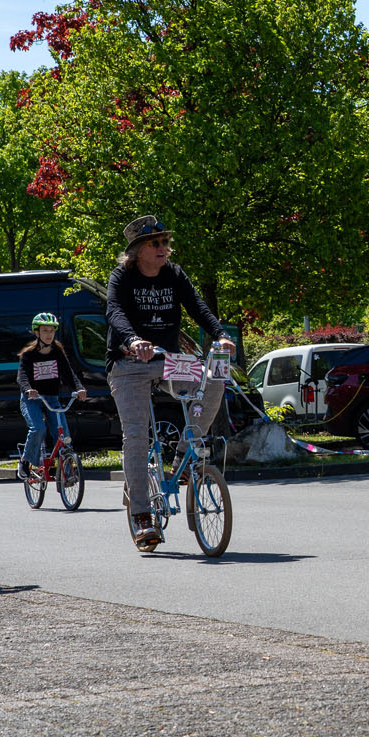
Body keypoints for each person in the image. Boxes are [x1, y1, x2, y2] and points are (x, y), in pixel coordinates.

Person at [106, 215, 235, 551]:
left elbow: (197, 307)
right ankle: (142, 518)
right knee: (136, 437)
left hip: (169, 360)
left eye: (165, 242)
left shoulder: (174, 275)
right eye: (155, 243)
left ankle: (183, 458)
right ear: (137, 251)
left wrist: (220, 336)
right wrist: (134, 340)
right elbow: (115, 312)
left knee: (214, 380)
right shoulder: (122, 277)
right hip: (128, 363)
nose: (163, 248)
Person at [16, 313, 88, 479]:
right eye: (45, 330)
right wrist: (28, 389)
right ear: (37, 333)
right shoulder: (29, 354)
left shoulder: (57, 352)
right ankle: (25, 461)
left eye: (51, 330)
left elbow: (69, 374)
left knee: (63, 435)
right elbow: (22, 377)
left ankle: (68, 475)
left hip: (52, 399)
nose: (49, 334)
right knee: (38, 428)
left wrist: (79, 388)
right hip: (32, 399)